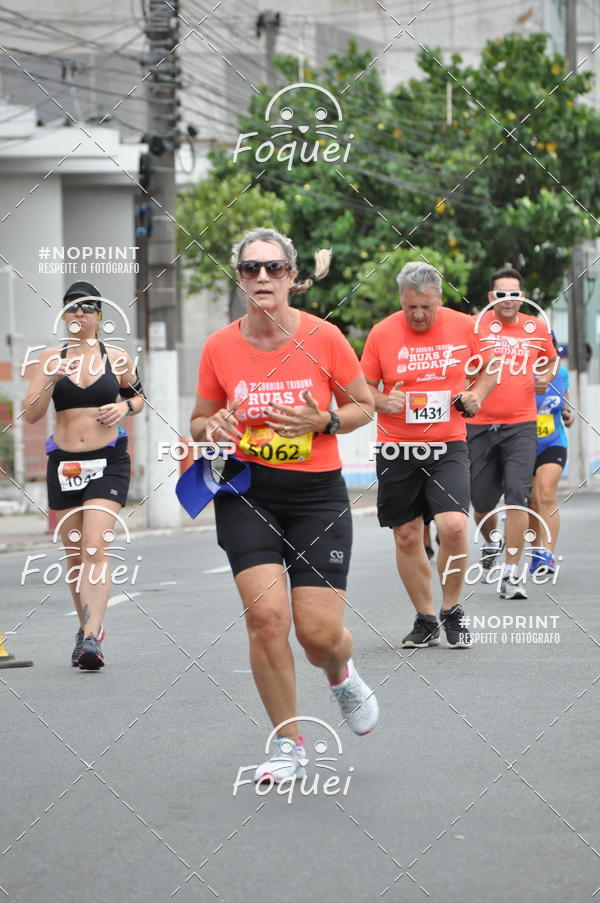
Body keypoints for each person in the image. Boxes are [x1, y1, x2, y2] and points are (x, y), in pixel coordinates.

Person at [188, 228, 379, 783]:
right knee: (266, 619)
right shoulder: (220, 346)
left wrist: (323, 420)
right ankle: (288, 744)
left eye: (274, 268)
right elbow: (199, 421)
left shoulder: (324, 339)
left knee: (317, 635)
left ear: (293, 276)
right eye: (251, 269)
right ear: (241, 277)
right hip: (250, 492)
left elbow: (364, 407)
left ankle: (340, 672)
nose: (263, 278)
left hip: (317, 496)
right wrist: (213, 427)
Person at [361, 261, 497, 650]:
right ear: (401, 301)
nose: (418, 315)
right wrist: (384, 400)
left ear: (439, 297)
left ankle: (452, 609)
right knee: (406, 535)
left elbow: (489, 369)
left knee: (454, 525)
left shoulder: (465, 325)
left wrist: (477, 395)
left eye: (426, 307)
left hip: (448, 443)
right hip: (396, 445)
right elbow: (361, 388)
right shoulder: (382, 333)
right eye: (410, 308)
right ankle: (424, 619)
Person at [23, 281, 144, 670]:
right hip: (65, 465)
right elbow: (32, 414)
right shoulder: (49, 358)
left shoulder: (117, 357)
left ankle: (92, 637)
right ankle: (85, 628)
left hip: (108, 461)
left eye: (87, 308)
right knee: (75, 556)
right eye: (72, 308)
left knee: (95, 546)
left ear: (99, 316)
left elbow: (139, 396)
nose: (79, 314)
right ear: (64, 314)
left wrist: (125, 410)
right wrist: (52, 380)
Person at [467, 266, 556, 599]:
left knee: (517, 496)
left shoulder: (536, 327)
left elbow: (548, 360)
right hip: (479, 425)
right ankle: (491, 540)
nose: (508, 300)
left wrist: (544, 377)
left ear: (522, 296)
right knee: (481, 502)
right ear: (491, 298)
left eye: (514, 294)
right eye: (501, 295)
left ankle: (511, 575)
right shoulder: (475, 327)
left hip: (521, 424)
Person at [528, 334, 573, 575]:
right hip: (523, 445)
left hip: (553, 442)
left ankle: (547, 554)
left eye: (549, 348)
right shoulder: (521, 374)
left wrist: (569, 414)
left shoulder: (562, 375)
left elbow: (565, 404)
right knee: (532, 502)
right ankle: (536, 551)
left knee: (546, 494)